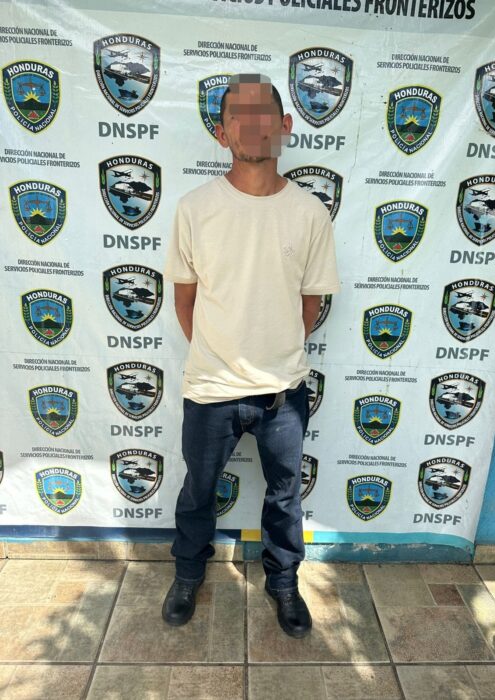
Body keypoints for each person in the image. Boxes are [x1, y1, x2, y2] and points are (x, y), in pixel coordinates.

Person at [162, 74, 340, 638]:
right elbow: (185, 299)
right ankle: (188, 573)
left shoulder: (309, 213)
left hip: (282, 391)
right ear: (222, 133)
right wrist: (219, 352)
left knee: (285, 498)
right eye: (238, 114)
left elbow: (309, 303)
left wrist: (273, 351)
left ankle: (283, 583)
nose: (253, 124)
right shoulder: (195, 209)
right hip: (210, 388)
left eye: (264, 112)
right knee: (198, 491)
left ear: (284, 126)